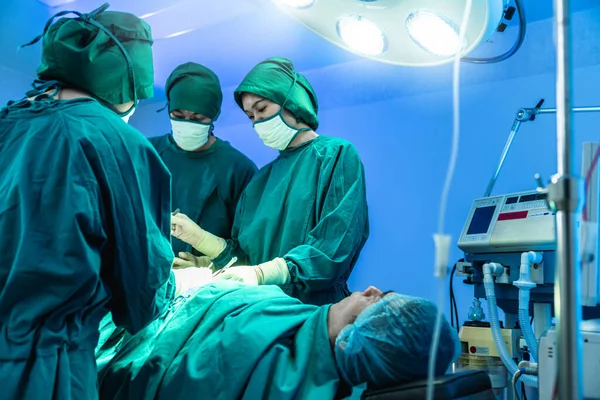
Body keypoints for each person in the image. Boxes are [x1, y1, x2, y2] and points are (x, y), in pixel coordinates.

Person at [0, 5, 176, 399]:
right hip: (43, 372)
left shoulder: (8, 122)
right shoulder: (116, 141)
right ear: (130, 82)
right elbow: (142, 297)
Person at [171, 57, 369, 306]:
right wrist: (201, 241)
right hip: (260, 312)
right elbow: (246, 260)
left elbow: (332, 251)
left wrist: (262, 273)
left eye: (261, 109)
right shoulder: (261, 180)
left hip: (313, 313)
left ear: (292, 100)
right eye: (250, 115)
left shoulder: (335, 155)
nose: (257, 121)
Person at [95, 281, 460, 399]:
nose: (373, 289)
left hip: (115, 341)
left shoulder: (265, 332)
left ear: (369, 295)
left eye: (381, 299)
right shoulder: (323, 383)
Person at [148, 63, 257, 267]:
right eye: (178, 116)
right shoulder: (146, 153)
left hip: (210, 285)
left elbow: (250, 250)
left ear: (213, 116)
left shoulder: (238, 169)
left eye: (198, 118)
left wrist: (205, 264)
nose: (187, 123)